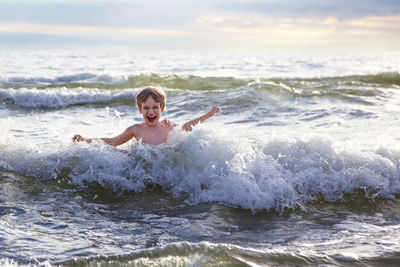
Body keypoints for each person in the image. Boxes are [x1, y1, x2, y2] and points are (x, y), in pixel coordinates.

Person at [72, 87, 220, 146]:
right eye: (146, 108)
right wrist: (85, 139)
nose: (151, 112)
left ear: (162, 109)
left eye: (155, 107)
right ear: (140, 110)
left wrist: (208, 115)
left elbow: (186, 127)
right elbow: (113, 141)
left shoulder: (168, 125)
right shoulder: (136, 129)